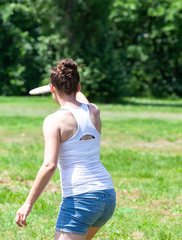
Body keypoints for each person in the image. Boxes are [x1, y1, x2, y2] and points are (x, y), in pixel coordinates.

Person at [15, 58, 116, 240]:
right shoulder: (94, 111)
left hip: (81, 199)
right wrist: (68, 85)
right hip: (107, 196)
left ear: (53, 89)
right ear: (78, 87)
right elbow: (80, 99)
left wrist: (27, 204)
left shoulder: (54, 120)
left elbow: (49, 165)